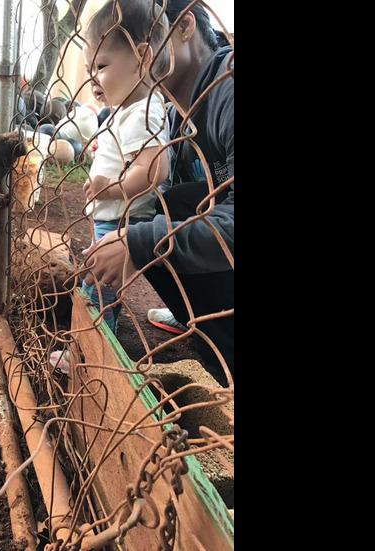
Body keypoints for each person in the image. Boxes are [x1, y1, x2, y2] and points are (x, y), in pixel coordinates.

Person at [81, 0, 234, 386]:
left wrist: (141, 241)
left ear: (183, 27)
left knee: (152, 224)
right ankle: (198, 322)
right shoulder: (168, 113)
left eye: (148, 32)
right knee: (164, 206)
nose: (140, 52)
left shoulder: (228, 91)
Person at [50, 0, 171, 372]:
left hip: (123, 219)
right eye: (89, 69)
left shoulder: (145, 110)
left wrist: (112, 188)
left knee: (99, 290)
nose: (92, 79)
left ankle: (90, 356)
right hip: (112, 218)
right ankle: (91, 348)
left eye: (101, 66)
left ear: (142, 57)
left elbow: (155, 170)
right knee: (98, 283)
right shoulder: (126, 110)